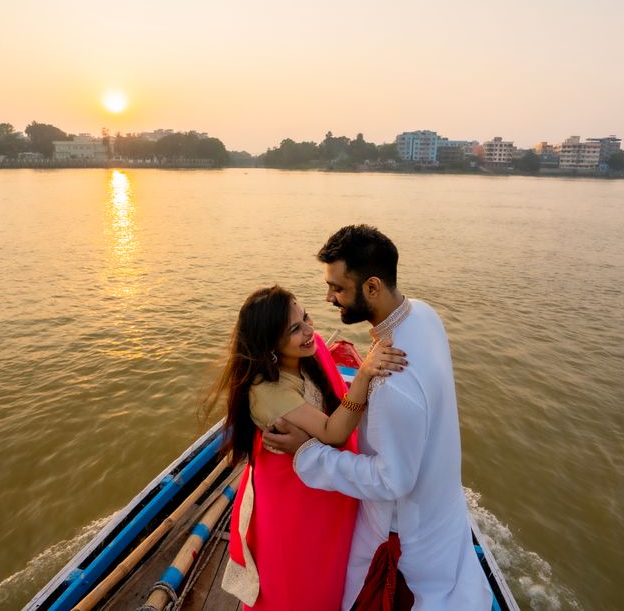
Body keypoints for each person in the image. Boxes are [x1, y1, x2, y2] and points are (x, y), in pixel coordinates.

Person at [263, 225, 493, 611]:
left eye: (338, 288)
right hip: (442, 508)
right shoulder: (423, 314)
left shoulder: (391, 383)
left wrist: (308, 453)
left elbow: (392, 480)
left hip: (403, 530)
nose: (329, 298)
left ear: (372, 287)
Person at [210, 285, 407, 611]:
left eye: (306, 318)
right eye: (294, 329)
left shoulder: (308, 351)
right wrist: (363, 374)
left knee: (330, 568)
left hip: (319, 484)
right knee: (298, 583)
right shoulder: (268, 391)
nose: (309, 332)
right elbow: (334, 433)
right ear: (269, 343)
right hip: (294, 500)